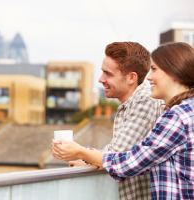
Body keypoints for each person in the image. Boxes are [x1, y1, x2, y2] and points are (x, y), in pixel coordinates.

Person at [51, 42, 194, 200]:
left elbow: (130, 162)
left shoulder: (175, 117)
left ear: (174, 71)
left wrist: (81, 153)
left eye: (154, 69)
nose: (149, 77)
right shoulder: (187, 111)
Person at [69, 41, 162, 200]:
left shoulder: (146, 101)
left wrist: (83, 155)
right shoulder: (129, 105)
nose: (100, 79)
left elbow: (115, 154)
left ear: (131, 77)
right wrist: (90, 159)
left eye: (108, 74)